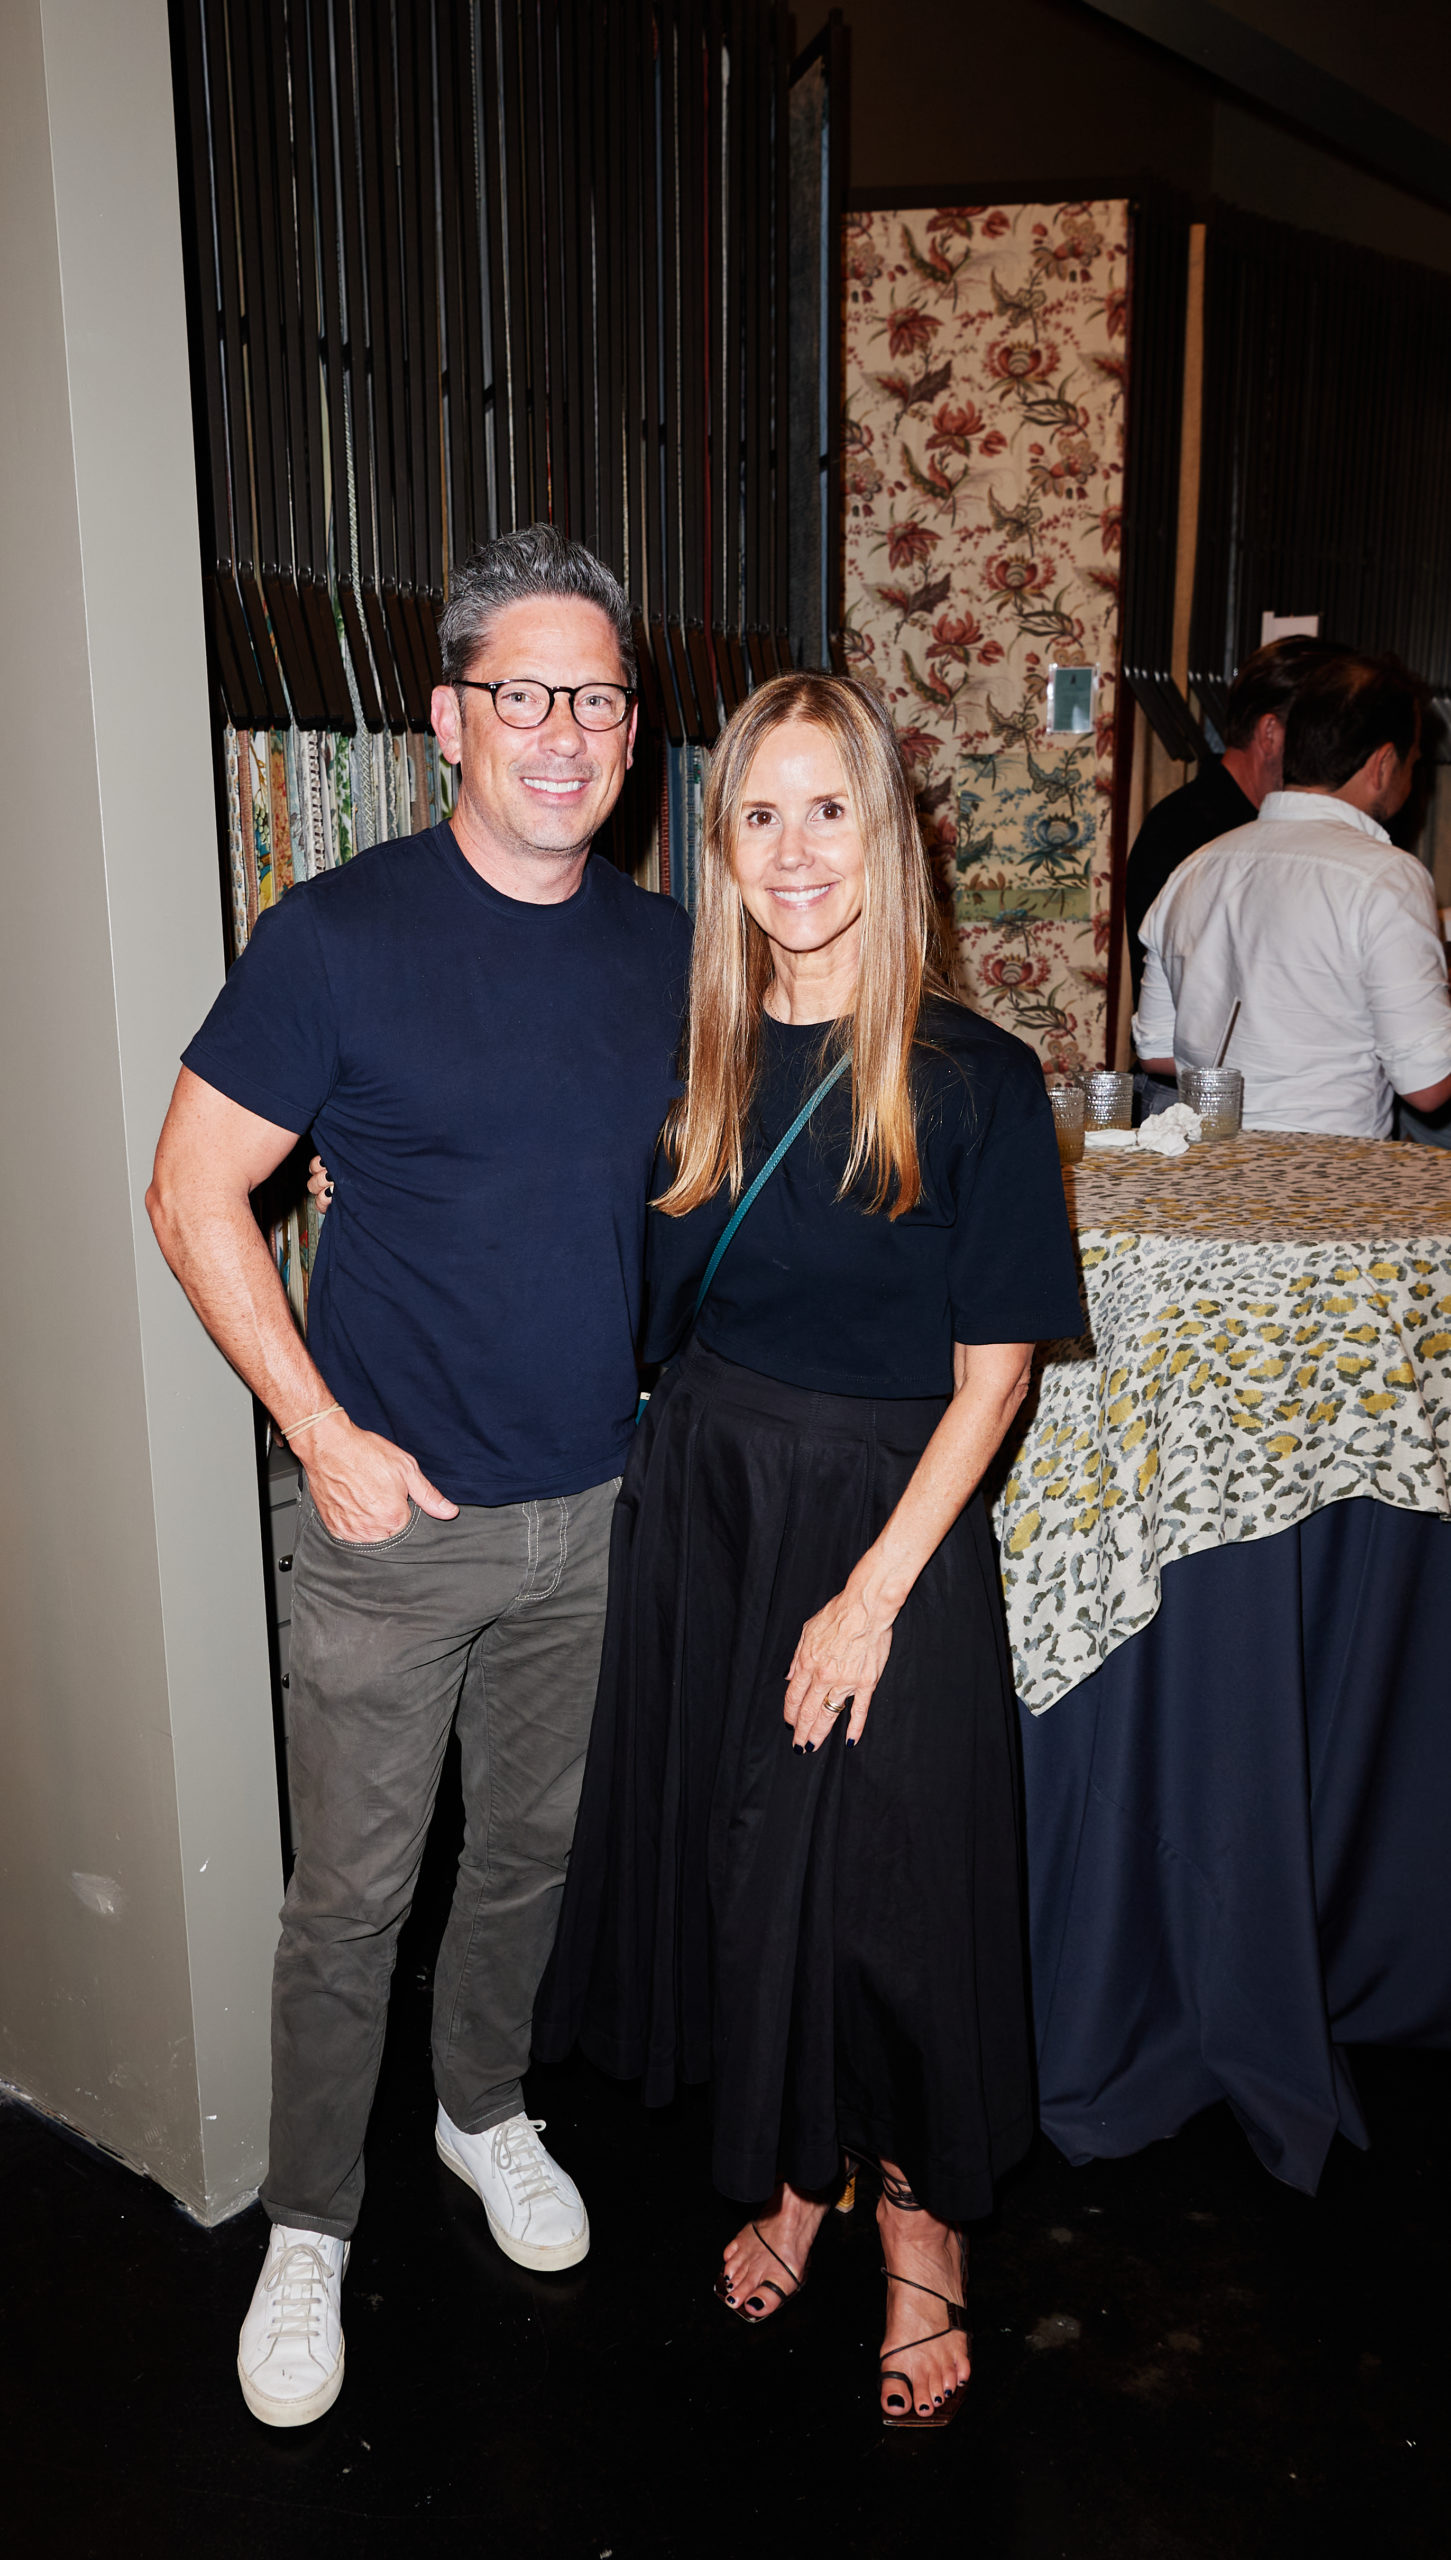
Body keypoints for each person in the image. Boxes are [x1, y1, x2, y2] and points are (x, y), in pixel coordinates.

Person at [147, 526, 691, 2426]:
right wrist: (320, 1433)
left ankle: (481, 2108)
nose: (564, 730)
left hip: (593, 1509)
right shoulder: (336, 938)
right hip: (392, 1527)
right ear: (447, 719)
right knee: (351, 1902)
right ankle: (308, 2224)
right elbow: (191, 1193)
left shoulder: (668, 955)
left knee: (527, 1859)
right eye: (521, 692)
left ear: (632, 730)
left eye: (597, 697)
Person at [534, 672, 1084, 2428]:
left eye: (826, 809)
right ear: (719, 851)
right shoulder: (686, 1064)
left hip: (883, 1523)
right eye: (757, 816)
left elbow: (995, 1378)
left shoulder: (973, 1078)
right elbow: (558, 1219)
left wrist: (865, 1598)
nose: (792, 852)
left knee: (890, 1898)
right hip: (710, 1502)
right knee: (746, 1867)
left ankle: (921, 2233)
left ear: (887, 834)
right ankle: (790, 2175)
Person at [1133, 654, 1451, 1135]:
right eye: (1415, 762)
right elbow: (1427, 1086)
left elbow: (1157, 1052)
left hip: (1207, 1162)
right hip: (1329, 1169)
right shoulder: (1387, 876)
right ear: (1384, 764)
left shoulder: (1195, 866)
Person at [1125, 634, 1339, 1004]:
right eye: (1326, 735)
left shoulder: (1283, 827)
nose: (1338, 754)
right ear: (1270, 733)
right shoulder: (1183, 831)